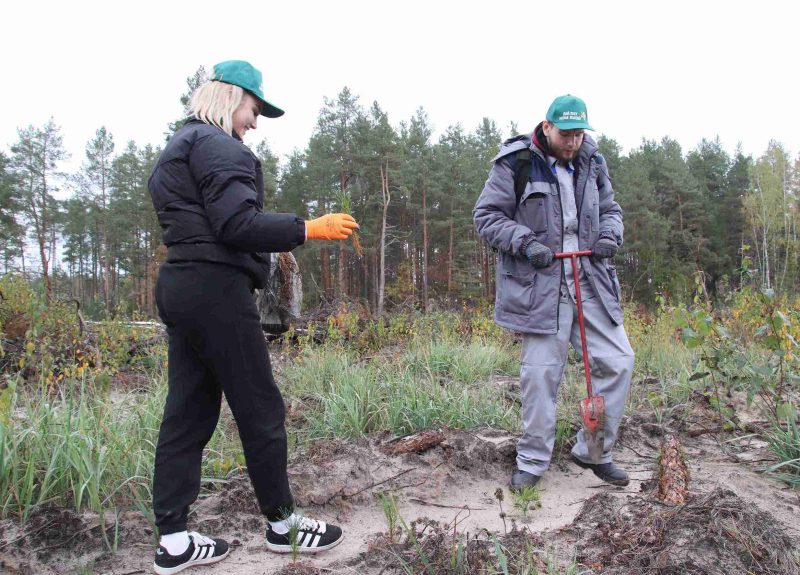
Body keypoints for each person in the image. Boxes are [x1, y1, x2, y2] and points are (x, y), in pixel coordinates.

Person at [148, 60, 357, 575]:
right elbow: (236, 223)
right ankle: (283, 524)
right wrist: (308, 228)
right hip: (216, 290)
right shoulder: (220, 146)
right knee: (260, 407)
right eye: (253, 108)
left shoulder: (179, 147)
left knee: (189, 411)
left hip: (180, 283)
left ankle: (174, 539)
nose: (254, 122)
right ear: (230, 97)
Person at [473, 95, 635, 491]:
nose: (573, 142)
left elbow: (612, 210)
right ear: (547, 127)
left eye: (580, 134)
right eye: (566, 134)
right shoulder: (516, 162)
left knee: (619, 361)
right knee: (541, 375)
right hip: (540, 286)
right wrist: (526, 243)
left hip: (591, 279)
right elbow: (487, 217)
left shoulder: (593, 162)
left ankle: (594, 452)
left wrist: (610, 235)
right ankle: (532, 460)